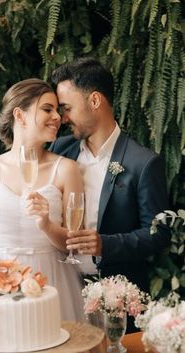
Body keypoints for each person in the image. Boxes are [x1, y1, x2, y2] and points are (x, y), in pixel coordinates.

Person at [49, 57, 170, 331]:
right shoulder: (57, 150)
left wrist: (106, 244)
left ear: (94, 101)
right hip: (61, 296)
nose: (62, 118)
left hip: (115, 303)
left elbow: (159, 235)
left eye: (67, 108)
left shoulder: (143, 163)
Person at [0, 78, 86, 322]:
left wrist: (46, 225)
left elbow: (75, 245)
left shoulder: (66, 170)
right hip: (0, 289)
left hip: (55, 284)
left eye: (58, 111)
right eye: (47, 109)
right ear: (20, 115)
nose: (58, 118)